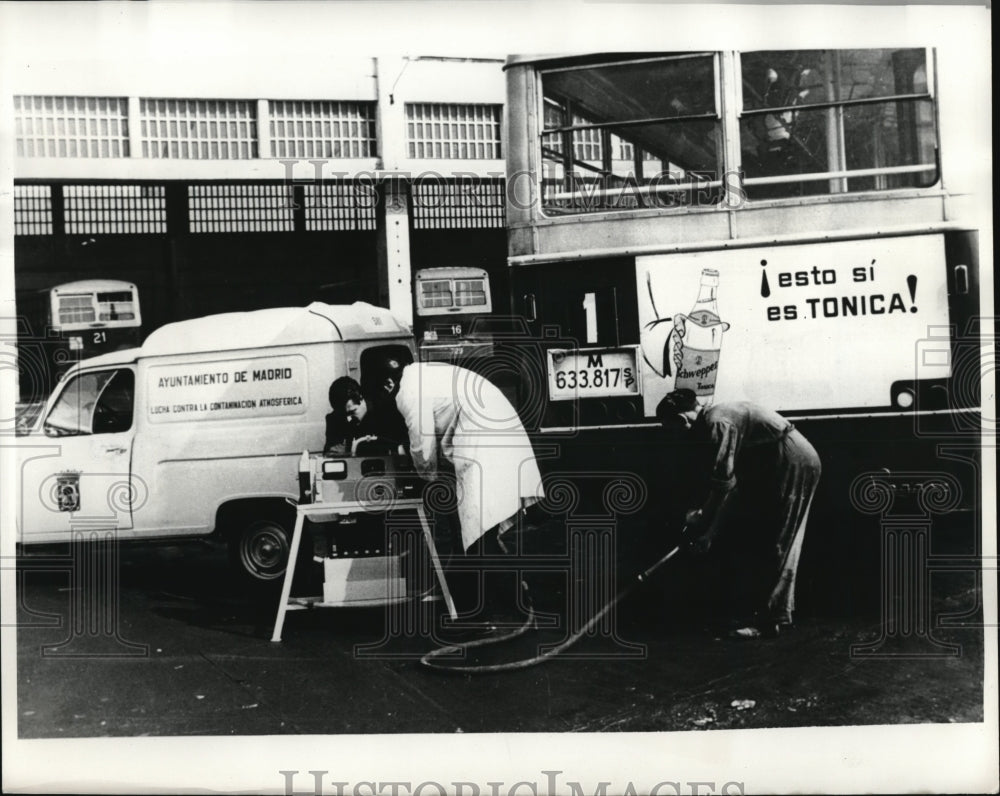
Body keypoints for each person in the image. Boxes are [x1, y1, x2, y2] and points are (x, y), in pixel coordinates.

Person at [370, 356, 545, 637]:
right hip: (494, 424)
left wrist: (427, 477)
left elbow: (423, 446)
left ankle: (490, 615)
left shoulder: (407, 391)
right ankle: (511, 602)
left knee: (475, 533)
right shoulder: (421, 374)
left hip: (483, 437)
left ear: (389, 383)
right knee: (479, 532)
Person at [657, 388, 821, 638]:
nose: (672, 434)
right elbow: (730, 489)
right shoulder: (714, 418)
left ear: (681, 420)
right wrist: (710, 534)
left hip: (792, 459)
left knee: (779, 538)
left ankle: (769, 622)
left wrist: (703, 515)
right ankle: (767, 615)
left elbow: (722, 484)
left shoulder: (717, 423)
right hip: (775, 460)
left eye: (670, 427)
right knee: (766, 536)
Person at [325, 376, 408, 456]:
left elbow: (397, 448)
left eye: (353, 411)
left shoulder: (385, 413)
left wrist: (348, 450)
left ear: (361, 398)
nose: (349, 418)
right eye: (345, 414)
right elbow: (330, 451)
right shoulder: (335, 419)